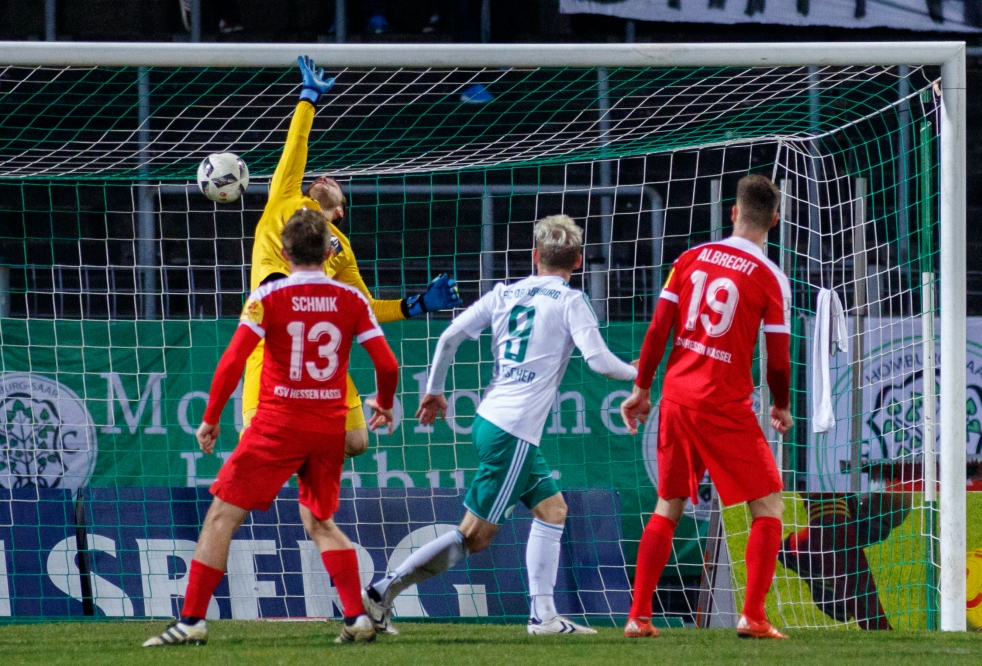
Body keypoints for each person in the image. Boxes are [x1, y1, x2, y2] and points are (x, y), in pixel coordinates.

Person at [363, 215, 638, 636]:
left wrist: (435, 390)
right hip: (513, 432)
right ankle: (383, 591)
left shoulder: (504, 293)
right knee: (474, 536)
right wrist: (638, 375)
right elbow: (599, 361)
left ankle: (544, 616)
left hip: (494, 420)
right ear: (579, 260)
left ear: (534, 256)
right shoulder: (570, 301)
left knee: (553, 510)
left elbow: (449, 337)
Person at [143, 211, 399, 646]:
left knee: (221, 516)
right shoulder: (351, 300)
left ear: (284, 252)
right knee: (320, 521)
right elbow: (387, 364)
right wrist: (386, 404)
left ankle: (191, 620)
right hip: (327, 428)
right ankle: (356, 616)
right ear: (328, 252)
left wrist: (211, 417)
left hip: (278, 425)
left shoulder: (268, 296)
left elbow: (233, 361)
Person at [243, 55, 461, 461]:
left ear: (339, 212)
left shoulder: (340, 248)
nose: (324, 177)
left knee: (357, 442)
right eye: (318, 179)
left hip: (319, 353)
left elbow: (367, 308)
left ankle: (306, 450)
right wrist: (308, 98)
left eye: (336, 186)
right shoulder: (285, 196)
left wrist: (416, 305)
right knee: (258, 446)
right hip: (272, 337)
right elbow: (296, 146)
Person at [620, 174, 794, 640]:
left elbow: (658, 329)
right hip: (723, 404)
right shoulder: (770, 278)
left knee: (668, 504)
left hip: (677, 398)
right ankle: (753, 615)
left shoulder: (690, 258)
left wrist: (641, 388)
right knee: (768, 502)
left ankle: (638, 616)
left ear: (732, 212)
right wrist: (781, 405)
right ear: (774, 221)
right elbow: (778, 359)